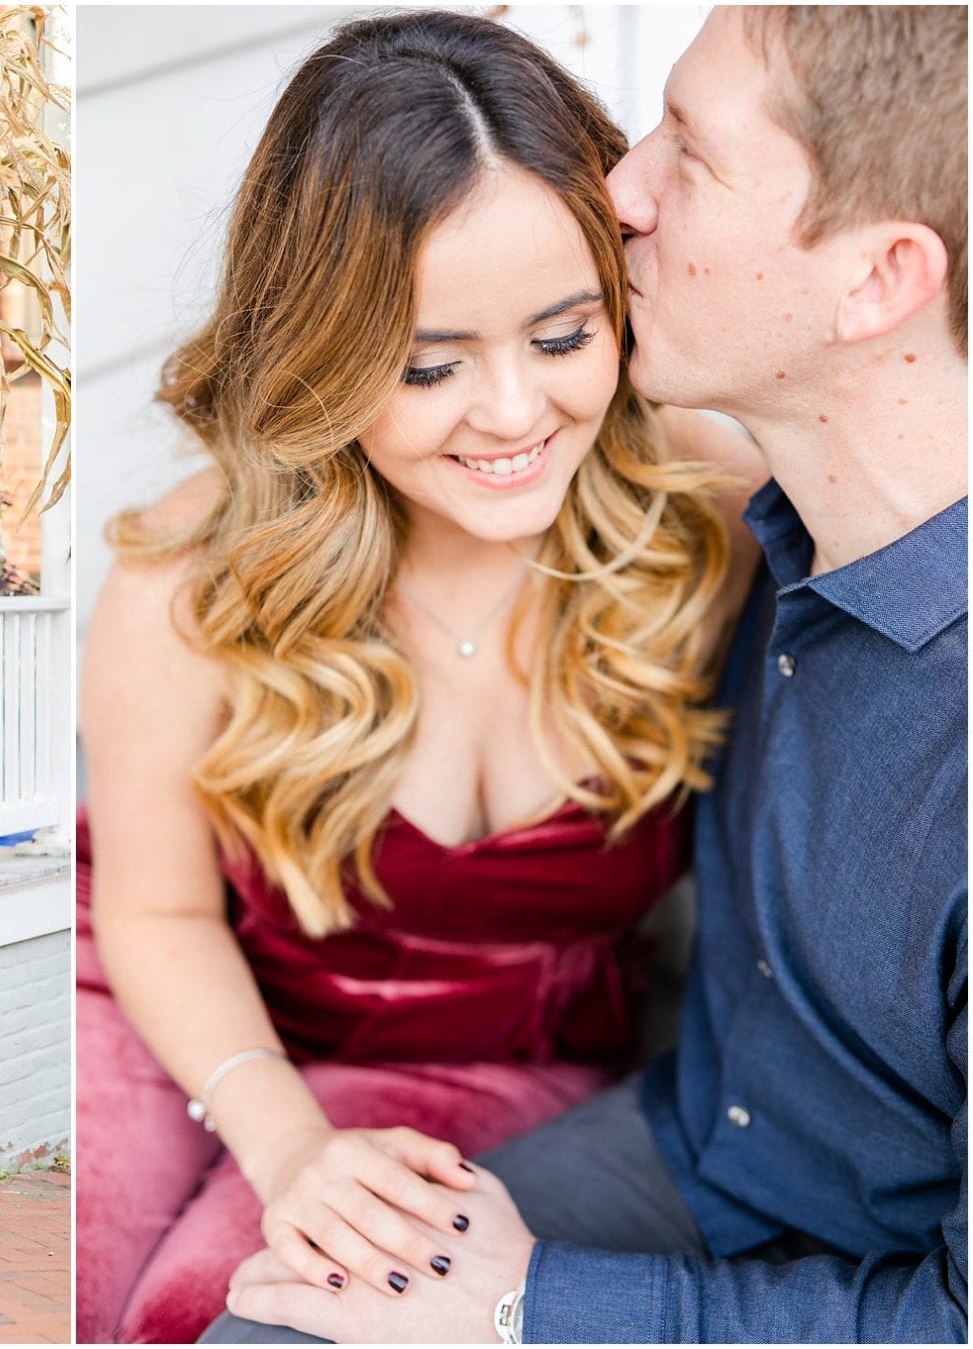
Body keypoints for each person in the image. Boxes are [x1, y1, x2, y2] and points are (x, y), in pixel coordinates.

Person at [212, 5, 966, 1342]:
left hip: (883, 1294)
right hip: (699, 1160)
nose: (618, 190)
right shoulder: (763, 527)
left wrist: (530, 1305)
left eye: (693, 153)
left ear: (878, 278)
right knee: (274, 1324)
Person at [77, 10, 769, 1342]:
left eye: (564, 336)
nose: (513, 415)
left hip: (506, 1067)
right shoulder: (188, 572)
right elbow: (158, 916)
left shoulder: (715, 521)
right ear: (323, 357)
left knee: (217, 1313)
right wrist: (284, 1144)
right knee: (94, 1294)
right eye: (428, 364)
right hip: (189, 1015)